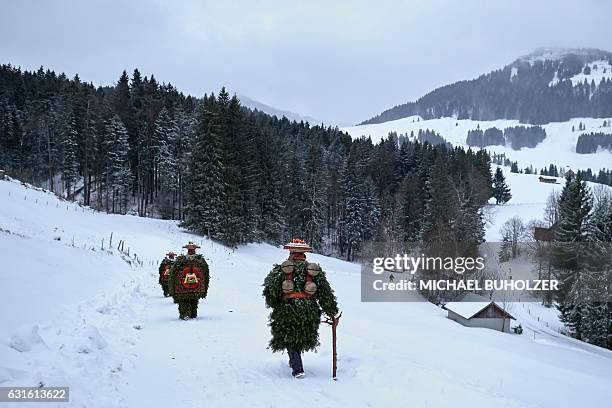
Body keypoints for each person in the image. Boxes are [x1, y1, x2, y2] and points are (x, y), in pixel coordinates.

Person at [263, 239, 339, 378]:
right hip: (309, 310)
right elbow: (325, 293)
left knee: (289, 336)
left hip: (287, 308)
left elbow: (270, 291)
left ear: (290, 253)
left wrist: (276, 304)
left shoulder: (280, 270)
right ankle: (295, 361)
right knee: (299, 336)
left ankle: (297, 368)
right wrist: (331, 311)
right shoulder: (314, 271)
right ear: (304, 254)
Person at [168, 242, 210, 320]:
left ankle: (193, 313)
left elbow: (205, 273)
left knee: (194, 300)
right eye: (190, 249)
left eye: (192, 249)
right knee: (183, 300)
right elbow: (174, 273)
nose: (191, 250)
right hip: (182, 286)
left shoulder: (200, 261)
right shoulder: (181, 260)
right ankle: (184, 314)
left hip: (196, 285)